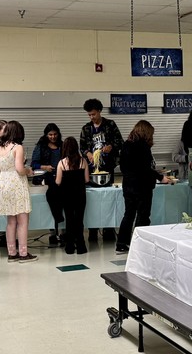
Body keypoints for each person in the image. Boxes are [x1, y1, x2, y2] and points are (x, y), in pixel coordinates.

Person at [116, 120, 175, 253]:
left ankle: (121, 243)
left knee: (129, 214)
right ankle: (139, 244)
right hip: (142, 187)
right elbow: (145, 169)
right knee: (143, 215)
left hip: (128, 185)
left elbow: (123, 166)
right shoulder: (143, 146)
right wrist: (160, 177)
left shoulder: (126, 144)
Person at [79, 98, 123, 242]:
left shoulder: (110, 125)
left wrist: (110, 146)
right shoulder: (86, 128)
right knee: (93, 199)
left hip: (107, 167)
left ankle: (108, 229)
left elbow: (120, 142)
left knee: (107, 198)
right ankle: (92, 230)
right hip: (92, 170)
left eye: (93, 114)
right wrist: (88, 153)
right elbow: (82, 147)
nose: (91, 117)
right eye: (89, 115)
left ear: (99, 111)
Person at [0, 120, 37, 262]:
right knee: (23, 220)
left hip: (4, 184)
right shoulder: (17, 147)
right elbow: (19, 168)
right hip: (17, 183)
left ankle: (12, 253)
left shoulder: (0, 148)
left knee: (10, 221)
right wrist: (28, 171)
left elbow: (1, 166)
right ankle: (24, 253)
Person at [31, 123, 64, 245]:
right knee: (51, 204)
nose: (53, 137)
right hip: (46, 179)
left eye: (55, 134)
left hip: (61, 179)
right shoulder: (41, 146)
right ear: (46, 135)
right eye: (50, 134)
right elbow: (34, 164)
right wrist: (44, 167)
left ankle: (62, 231)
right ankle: (53, 232)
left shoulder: (62, 145)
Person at [56, 136, 89, 255]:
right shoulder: (83, 161)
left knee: (69, 220)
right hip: (80, 195)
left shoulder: (62, 163)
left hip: (67, 196)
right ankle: (81, 246)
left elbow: (58, 182)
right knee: (79, 220)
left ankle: (69, 247)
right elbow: (86, 179)